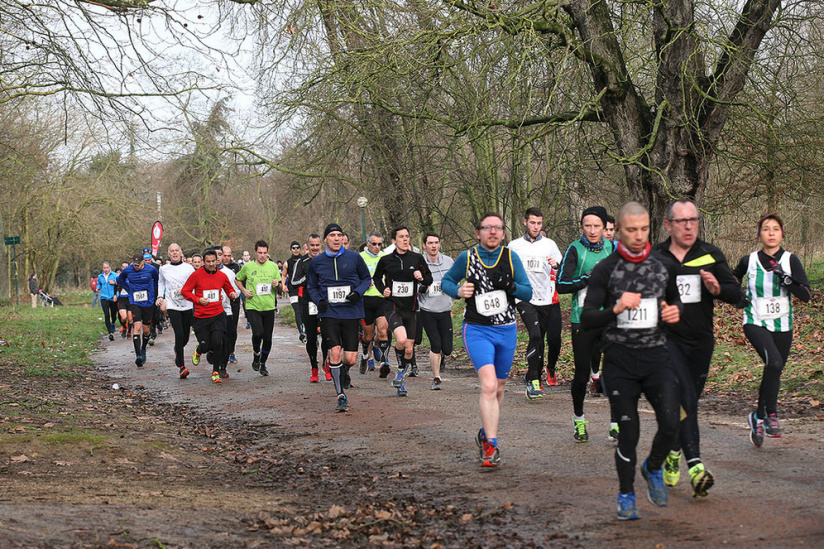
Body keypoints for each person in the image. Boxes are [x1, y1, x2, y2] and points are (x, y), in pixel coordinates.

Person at [581, 201, 682, 521]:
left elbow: (675, 299)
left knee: (671, 423)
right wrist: (616, 308)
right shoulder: (606, 269)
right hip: (620, 361)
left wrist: (673, 311)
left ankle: (653, 467)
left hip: (657, 358)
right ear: (618, 231)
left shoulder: (663, 264)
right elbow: (587, 318)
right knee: (629, 434)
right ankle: (626, 494)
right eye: (631, 230)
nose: (638, 236)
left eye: (644, 229)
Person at [652, 199, 744, 497]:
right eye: (682, 221)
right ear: (669, 225)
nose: (689, 226)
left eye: (693, 220)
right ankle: (696, 466)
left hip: (700, 342)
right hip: (666, 341)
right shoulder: (656, 257)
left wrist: (717, 289)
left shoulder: (710, 254)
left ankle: (673, 451)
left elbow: (736, 294)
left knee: (688, 405)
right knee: (685, 398)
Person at [442, 212, 532, 468]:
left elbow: (528, 291)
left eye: (497, 228)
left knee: (499, 388)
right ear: (478, 232)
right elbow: (447, 281)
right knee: (489, 386)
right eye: (487, 227)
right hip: (477, 330)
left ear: (503, 233)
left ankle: (485, 433)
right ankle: (491, 445)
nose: (492, 232)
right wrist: (458, 291)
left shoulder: (511, 258)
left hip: (506, 330)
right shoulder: (467, 257)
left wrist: (511, 287)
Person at [732, 214, 811, 448]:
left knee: (773, 369)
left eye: (776, 229)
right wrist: (737, 295)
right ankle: (771, 414)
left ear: (782, 233)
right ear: (759, 234)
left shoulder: (790, 260)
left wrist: (787, 281)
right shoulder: (749, 260)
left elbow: (806, 295)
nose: (771, 233)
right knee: (774, 363)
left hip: (783, 324)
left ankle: (758, 416)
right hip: (755, 320)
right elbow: (732, 279)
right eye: (766, 229)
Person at [558, 205, 617, 442]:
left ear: (605, 228)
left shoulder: (613, 248)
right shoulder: (575, 249)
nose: (592, 231)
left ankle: (616, 423)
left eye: (597, 226)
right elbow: (561, 284)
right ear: (582, 227)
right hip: (582, 319)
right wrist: (587, 279)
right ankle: (579, 420)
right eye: (587, 226)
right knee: (582, 374)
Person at [307, 223, 372, 412]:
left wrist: (357, 293)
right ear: (325, 239)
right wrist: (319, 300)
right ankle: (340, 395)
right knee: (335, 351)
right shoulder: (317, 262)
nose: (336, 238)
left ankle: (342, 371)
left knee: (350, 359)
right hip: (329, 313)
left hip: (351, 312)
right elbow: (311, 286)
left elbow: (366, 279)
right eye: (332, 235)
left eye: (339, 235)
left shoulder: (354, 257)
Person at [507, 207, 563, 398]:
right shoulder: (514, 245)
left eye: (539, 223)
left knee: (539, 340)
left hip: (545, 298)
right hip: (524, 298)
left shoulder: (550, 245)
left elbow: (562, 267)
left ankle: (534, 375)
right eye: (532, 223)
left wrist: (556, 265)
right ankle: (532, 380)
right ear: (525, 222)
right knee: (535, 335)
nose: (536, 227)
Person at [373, 226, 433, 397]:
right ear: (394, 240)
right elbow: (376, 278)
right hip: (393, 306)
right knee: (401, 339)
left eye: (407, 236)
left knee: (408, 349)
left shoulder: (417, 258)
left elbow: (429, 278)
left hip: (411, 308)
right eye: (401, 237)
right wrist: (383, 289)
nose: (405, 239)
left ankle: (400, 377)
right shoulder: (386, 260)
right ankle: (399, 377)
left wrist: (422, 278)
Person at [181, 248, 238, 383]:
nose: (211, 264)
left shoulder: (222, 276)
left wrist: (232, 294)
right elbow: (185, 291)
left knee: (218, 342)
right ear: (203, 262)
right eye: (208, 262)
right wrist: (198, 300)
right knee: (206, 345)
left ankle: (215, 372)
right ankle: (199, 349)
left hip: (218, 314)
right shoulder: (196, 275)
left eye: (213, 261)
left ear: (217, 261)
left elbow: (229, 288)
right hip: (201, 317)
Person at [235, 240, 284, 377]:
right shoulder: (248, 267)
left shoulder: (273, 267)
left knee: (267, 338)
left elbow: (280, 286)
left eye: (265, 253)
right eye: (260, 253)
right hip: (253, 306)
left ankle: (262, 363)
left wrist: (277, 284)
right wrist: (244, 291)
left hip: (269, 307)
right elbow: (237, 279)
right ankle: (256, 354)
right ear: (255, 253)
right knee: (258, 333)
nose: (262, 255)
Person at [419, 232, 454, 390]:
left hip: (445, 309)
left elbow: (454, 280)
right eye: (430, 243)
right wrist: (421, 287)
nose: (433, 246)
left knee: (447, 349)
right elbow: (412, 283)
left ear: (439, 244)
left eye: (436, 243)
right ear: (424, 245)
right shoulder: (419, 263)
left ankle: (442, 357)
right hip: (427, 309)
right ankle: (436, 377)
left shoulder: (448, 261)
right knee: (435, 344)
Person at [157, 243, 196, 379]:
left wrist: (192, 294)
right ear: (168, 254)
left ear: (181, 253)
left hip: (187, 304)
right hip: (172, 305)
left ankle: (177, 349)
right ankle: (182, 367)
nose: (174, 253)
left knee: (185, 336)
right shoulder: (164, 269)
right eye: (172, 251)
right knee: (178, 334)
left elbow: (195, 284)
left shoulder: (189, 268)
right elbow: (161, 282)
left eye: (176, 251)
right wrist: (160, 296)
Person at [291, 234, 326, 382]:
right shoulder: (302, 262)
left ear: (321, 245)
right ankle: (314, 368)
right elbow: (293, 282)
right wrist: (308, 277)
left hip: (323, 302)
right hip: (307, 303)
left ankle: (326, 364)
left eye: (317, 245)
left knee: (327, 336)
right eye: (312, 245)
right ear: (307, 246)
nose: (315, 248)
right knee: (311, 338)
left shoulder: (326, 259)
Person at [117, 252, 160, 367]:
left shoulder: (151, 269)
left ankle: (143, 348)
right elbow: (120, 279)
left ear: (143, 262)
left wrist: (153, 291)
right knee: (137, 327)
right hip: (135, 301)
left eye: (138, 265)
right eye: (134, 264)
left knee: (146, 330)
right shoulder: (128, 270)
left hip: (148, 302)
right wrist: (129, 289)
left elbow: (157, 280)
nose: (136, 267)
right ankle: (138, 356)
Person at [358, 232, 390, 375]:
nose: (377, 247)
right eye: (374, 244)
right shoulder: (360, 258)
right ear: (368, 244)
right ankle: (365, 354)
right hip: (366, 300)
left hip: (382, 299)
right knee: (368, 336)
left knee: (383, 331)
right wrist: (362, 284)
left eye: (379, 244)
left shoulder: (385, 257)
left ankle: (383, 362)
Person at [221, 245, 242, 365]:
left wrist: (236, 294)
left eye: (229, 256)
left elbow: (240, 283)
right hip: (221, 302)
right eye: (225, 255)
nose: (226, 258)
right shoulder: (216, 268)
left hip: (234, 301)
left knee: (232, 328)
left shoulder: (236, 267)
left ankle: (231, 352)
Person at [285, 241, 306, 342]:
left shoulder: (304, 260)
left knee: (304, 310)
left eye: (297, 247)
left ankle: (306, 330)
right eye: (293, 248)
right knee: (297, 310)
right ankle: (301, 332)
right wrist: (283, 285)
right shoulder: (287, 262)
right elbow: (284, 275)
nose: (296, 249)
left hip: (303, 288)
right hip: (293, 289)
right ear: (291, 250)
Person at [97, 262, 118, 341]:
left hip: (113, 297)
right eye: (104, 268)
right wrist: (98, 287)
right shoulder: (100, 276)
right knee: (106, 315)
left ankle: (113, 322)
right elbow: (99, 284)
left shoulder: (115, 275)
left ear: (110, 268)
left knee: (113, 314)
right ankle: (110, 333)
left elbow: (119, 284)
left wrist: (114, 282)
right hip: (104, 297)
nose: (106, 269)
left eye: (107, 268)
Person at [115, 261, 131, 338]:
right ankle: (124, 327)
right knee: (124, 317)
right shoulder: (119, 277)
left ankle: (129, 332)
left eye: (126, 267)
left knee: (130, 319)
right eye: (123, 267)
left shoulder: (132, 276)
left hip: (130, 298)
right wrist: (115, 295)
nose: (124, 268)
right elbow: (115, 286)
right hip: (122, 299)